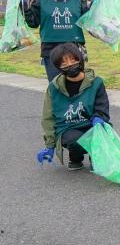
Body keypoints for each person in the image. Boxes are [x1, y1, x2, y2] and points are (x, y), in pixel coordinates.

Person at [37, 42, 111, 170]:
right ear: (58, 67)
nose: (70, 65)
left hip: (91, 124)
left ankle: (96, 155)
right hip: (68, 127)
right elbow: (48, 117)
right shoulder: (54, 88)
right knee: (73, 140)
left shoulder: (96, 83)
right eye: (64, 63)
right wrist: (50, 145)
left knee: (104, 130)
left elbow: (102, 106)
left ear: (80, 59)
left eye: (73, 60)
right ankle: (75, 156)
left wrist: (99, 117)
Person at [24, 0, 91, 81]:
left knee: (77, 84)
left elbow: (87, 20)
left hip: (74, 48)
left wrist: (97, 7)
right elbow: (33, 23)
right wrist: (24, 9)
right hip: (51, 49)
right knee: (56, 85)